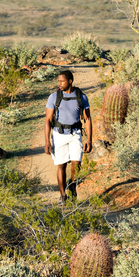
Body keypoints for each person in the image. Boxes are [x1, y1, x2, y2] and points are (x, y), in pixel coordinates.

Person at [44, 70, 93, 204]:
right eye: (58, 81)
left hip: (75, 134)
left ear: (70, 81)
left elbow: (87, 119)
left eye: (62, 81)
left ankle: (72, 187)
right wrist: (47, 141)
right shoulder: (54, 97)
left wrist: (89, 140)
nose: (59, 83)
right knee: (62, 165)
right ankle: (63, 196)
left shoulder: (81, 97)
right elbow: (48, 120)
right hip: (59, 135)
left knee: (76, 164)